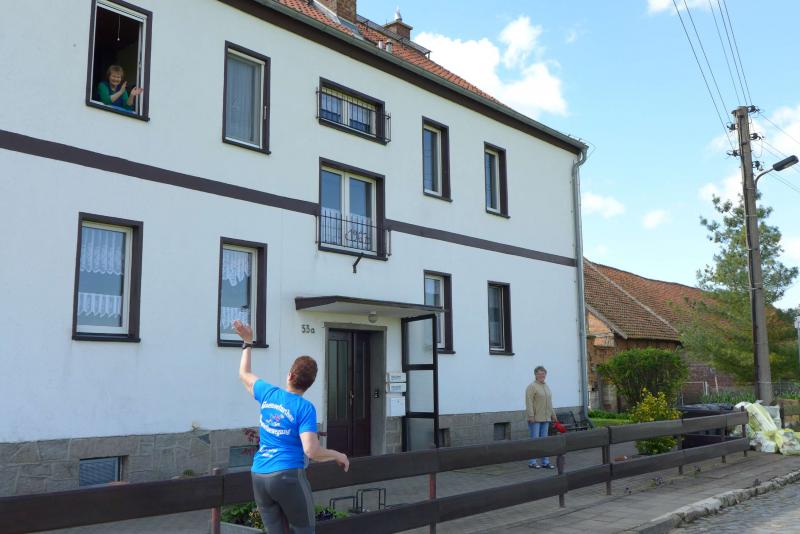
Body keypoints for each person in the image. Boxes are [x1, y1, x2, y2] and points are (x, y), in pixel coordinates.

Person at [233, 320, 349, 533]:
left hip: (259, 476)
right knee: (304, 529)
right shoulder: (305, 408)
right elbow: (311, 451)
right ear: (310, 384)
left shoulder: (268, 393)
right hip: (287, 476)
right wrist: (338, 455)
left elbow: (244, 374)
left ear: (290, 375)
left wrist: (247, 342)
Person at [525, 365, 557, 469]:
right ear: (535, 374)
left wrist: (553, 415)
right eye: (539, 373)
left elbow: (549, 403)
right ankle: (532, 462)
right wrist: (531, 415)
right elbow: (529, 402)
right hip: (535, 418)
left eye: (543, 373)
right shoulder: (532, 386)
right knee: (535, 440)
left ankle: (545, 462)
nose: (541, 375)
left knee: (544, 441)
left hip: (546, 418)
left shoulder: (546, 386)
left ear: (545, 374)